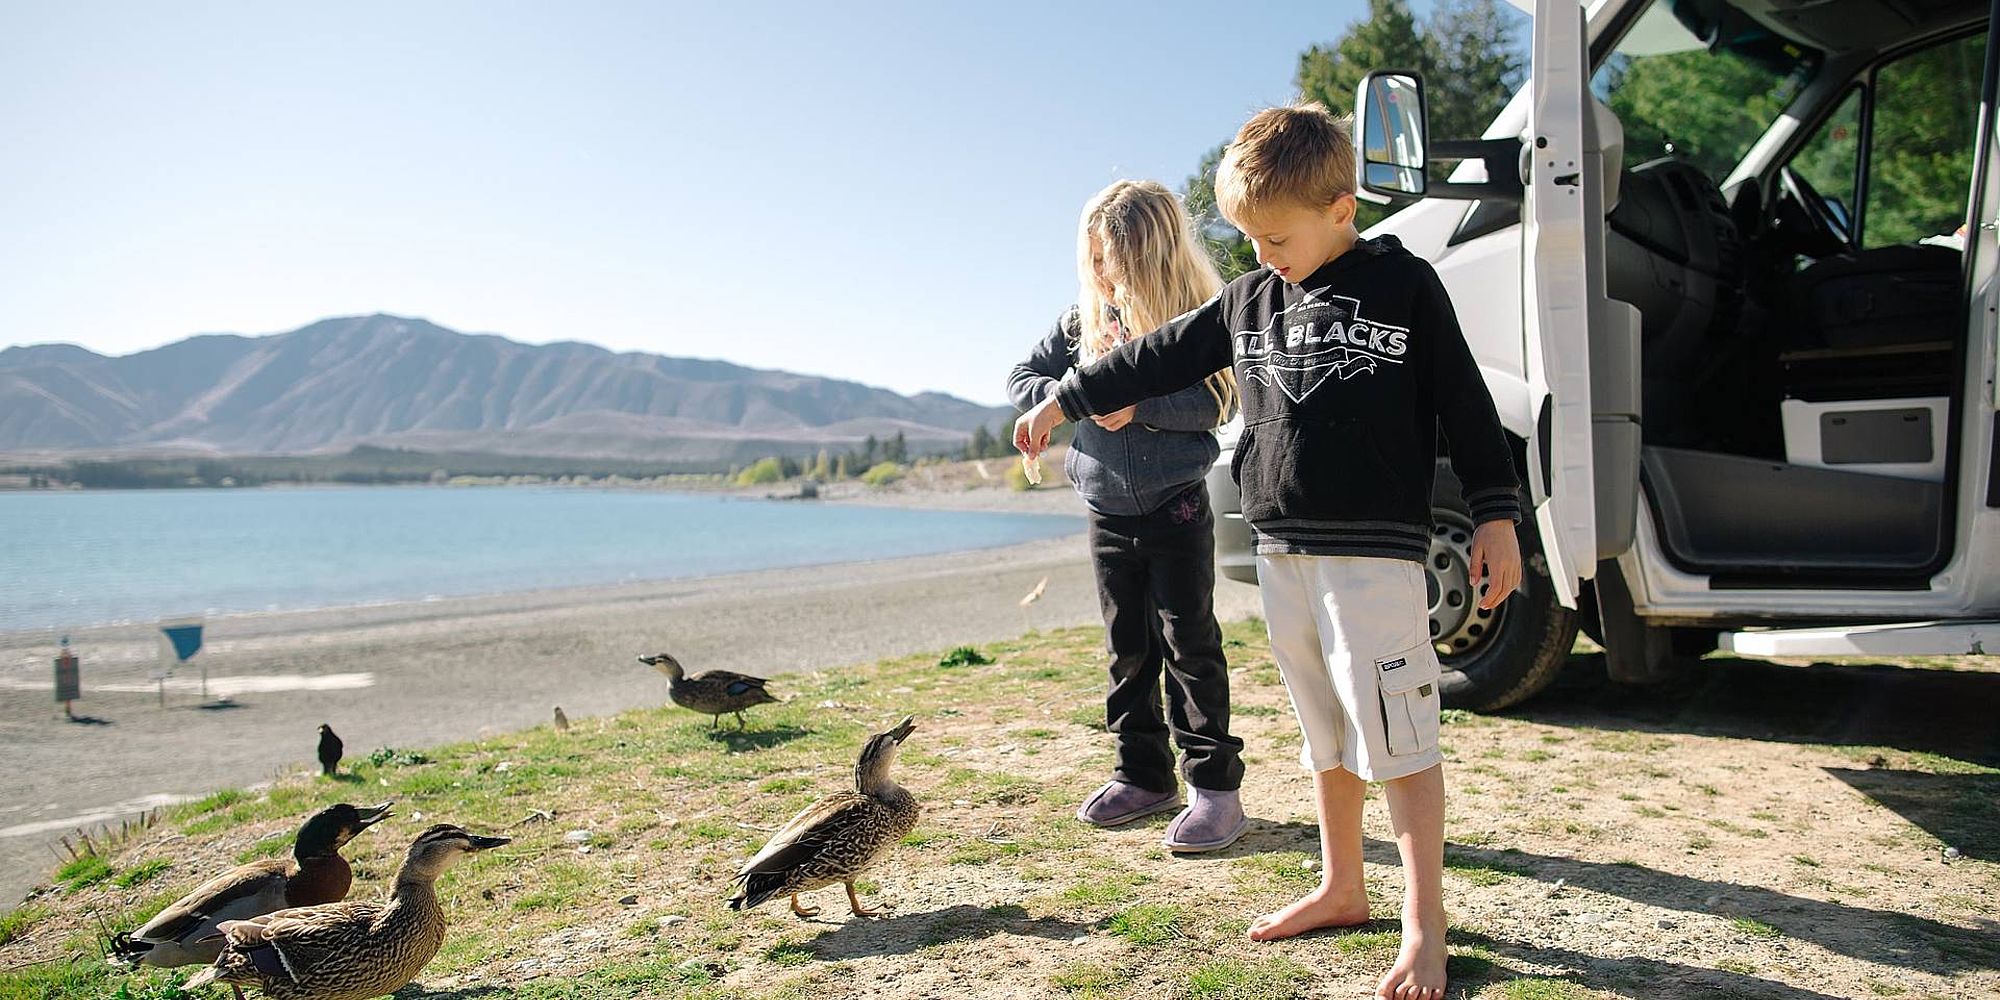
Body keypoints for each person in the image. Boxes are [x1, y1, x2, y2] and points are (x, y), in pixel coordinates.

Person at [1015, 104, 1523, 1000]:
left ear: (1341, 209)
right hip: (1283, 544)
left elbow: (1466, 401)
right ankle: (1342, 885)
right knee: (1324, 728)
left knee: (1397, 733)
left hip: (1374, 553)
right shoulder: (1251, 297)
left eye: (1276, 237)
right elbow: (1159, 356)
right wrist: (1067, 398)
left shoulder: (1403, 285)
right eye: (1249, 237)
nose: (1261, 254)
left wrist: (1495, 514)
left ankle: (1425, 925)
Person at [1007, 179, 1249, 852]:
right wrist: (1069, 397)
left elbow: (1218, 404)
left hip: (1176, 505)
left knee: (1189, 645)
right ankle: (1142, 775)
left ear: (1150, 254)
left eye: (1110, 261)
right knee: (1127, 650)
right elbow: (1022, 377)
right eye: (1091, 261)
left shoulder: (1195, 317)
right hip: (1106, 510)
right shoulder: (1080, 322)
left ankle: (1215, 788)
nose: (1101, 274)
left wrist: (1138, 405)